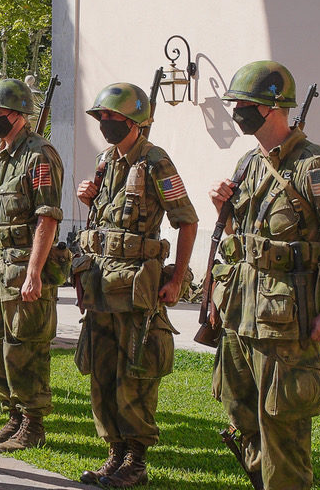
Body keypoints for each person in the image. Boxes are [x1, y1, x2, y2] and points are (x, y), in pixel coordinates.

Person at [207, 61, 320, 489]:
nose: (236, 110)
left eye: (243, 103)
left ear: (273, 106)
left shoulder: (318, 165)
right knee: (242, 414)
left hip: (287, 322)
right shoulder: (248, 163)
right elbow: (244, 243)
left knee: (283, 426)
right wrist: (225, 213)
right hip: (242, 314)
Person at [74, 82, 198, 488]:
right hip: (100, 285)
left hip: (136, 289)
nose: (104, 124)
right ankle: (114, 452)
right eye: (101, 117)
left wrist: (178, 277)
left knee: (136, 371)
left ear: (134, 122)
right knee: (102, 371)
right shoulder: (106, 160)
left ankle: (136, 459)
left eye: (111, 118)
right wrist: (88, 198)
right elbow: (107, 219)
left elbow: (187, 220)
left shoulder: (155, 161)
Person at [0, 79, 64, 453]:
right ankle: (11, 415)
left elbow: (48, 217)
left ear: (18, 114)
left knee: (25, 347)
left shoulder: (39, 154)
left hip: (24, 267)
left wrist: (33, 272)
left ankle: (32, 423)